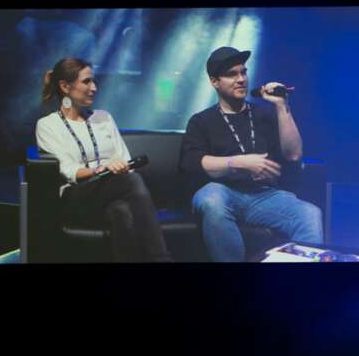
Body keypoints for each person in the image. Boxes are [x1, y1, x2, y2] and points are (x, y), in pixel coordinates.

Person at [179, 46, 323, 262]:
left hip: (263, 196)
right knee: (211, 199)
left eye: (243, 72)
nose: (240, 79)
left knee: (309, 214)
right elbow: (193, 163)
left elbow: (294, 154)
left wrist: (282, 106)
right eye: (231, 74)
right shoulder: (201, 121)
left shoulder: (263, 115)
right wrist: (238, 163)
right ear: (214, 82)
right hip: (222, 192)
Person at [35, 57, 171, 262]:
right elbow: (67, 170)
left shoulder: (104, 117)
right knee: (131, 181)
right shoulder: (47, 125)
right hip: (76, 197)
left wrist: (118, 168)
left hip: (112, 191)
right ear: (65, 86)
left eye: (94, 81)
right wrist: (100, 169)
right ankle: (162, 259)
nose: (94, 88)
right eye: (87, 82)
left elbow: (124, 159)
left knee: (121, 211)